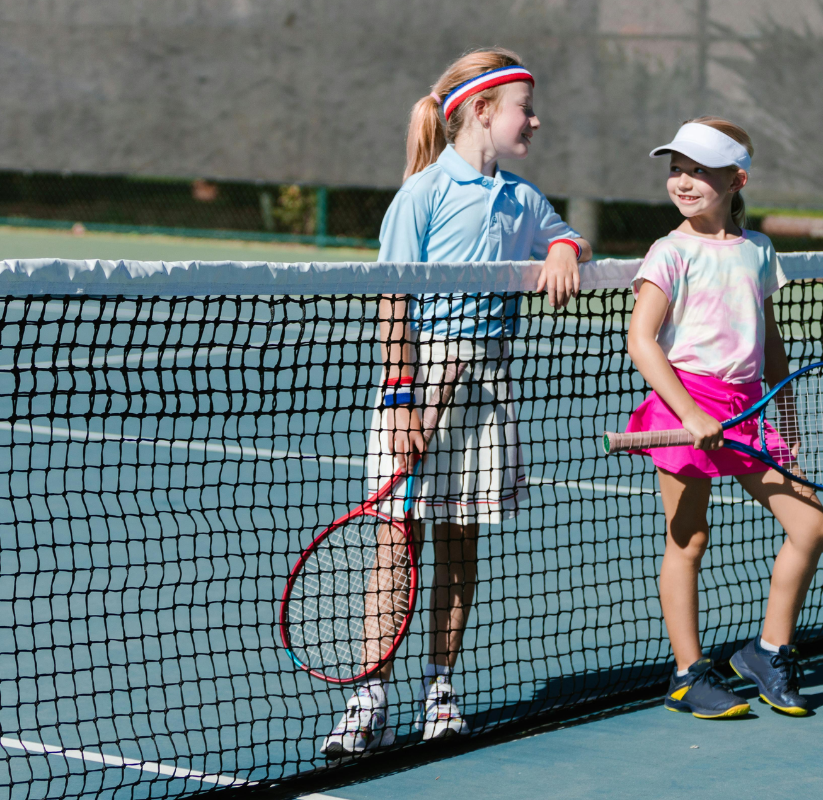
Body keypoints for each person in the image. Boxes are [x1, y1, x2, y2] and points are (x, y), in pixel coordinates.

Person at [321, 47, 593, 756]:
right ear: (481, 111)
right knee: (394, 543)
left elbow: (567, 237)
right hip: (416, 382)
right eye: (523, 109)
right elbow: (392, 301)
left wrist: (564, 246)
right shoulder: (422, 194)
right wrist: (405, 398)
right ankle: (368, 697)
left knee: (460, 544)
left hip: (485, 386)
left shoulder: (523, 198)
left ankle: (439, 687)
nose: (535, 120)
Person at [623, 117, 823, 719]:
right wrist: (689, 413)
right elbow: (642, 341)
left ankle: (768, 651)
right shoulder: (669, 251)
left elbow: (770, 345)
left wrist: (786, 418)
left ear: (737, 179)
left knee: (811, 525)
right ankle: (688, 675)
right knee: (688, 539)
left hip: (746, 411)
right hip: (684, 401)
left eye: (700, 171)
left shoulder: (758, 251)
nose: (684, 182)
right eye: (677, 169)